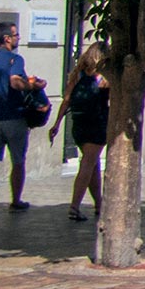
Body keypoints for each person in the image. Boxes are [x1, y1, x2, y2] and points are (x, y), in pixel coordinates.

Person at [0, 21, 42, 219]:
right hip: (14, 117)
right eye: (16, 35)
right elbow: (15, 82)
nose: (18, 38)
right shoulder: (16, 59)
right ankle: (16, 201)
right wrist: (33, 86)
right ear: (7, 39)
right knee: (18, 161)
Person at [48, 41, 109, 221]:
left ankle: (99, 204)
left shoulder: (78, 75)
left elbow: (66, 100)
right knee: (88, 164)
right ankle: (74, 206)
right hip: (97, 124)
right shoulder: (105, 79)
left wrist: (57, 123)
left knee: (93, 164)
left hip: (78, 124)